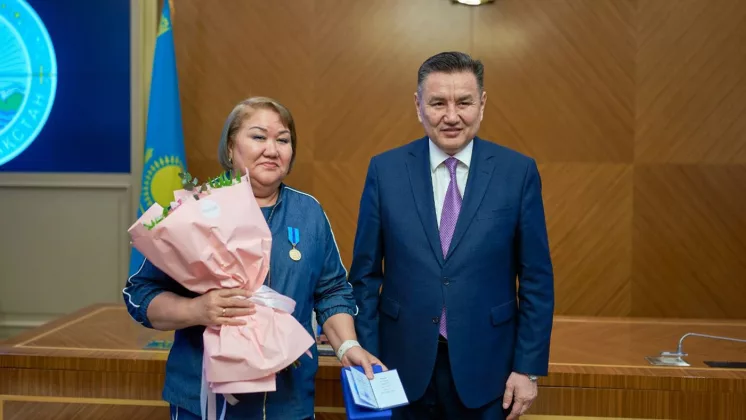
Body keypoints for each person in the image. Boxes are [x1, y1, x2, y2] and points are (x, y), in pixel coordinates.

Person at [124, 96, 383, 420]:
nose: (272, 150)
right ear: (231, 147)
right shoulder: (194, 212)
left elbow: (332, 291)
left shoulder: (309, 213)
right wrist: (196, 309)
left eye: (283, 140)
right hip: (206, 403)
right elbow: (139, 294)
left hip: (288, 403)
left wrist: (347, 346)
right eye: (259, 137)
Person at [349, 51, 555, 420]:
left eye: (464, 102)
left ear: (482, 104)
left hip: (489, 369)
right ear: (418, 105)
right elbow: (364, 276)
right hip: (398, 366)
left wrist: (527, 368)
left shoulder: (517, 172)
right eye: (438, 103)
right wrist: (368, 354)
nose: (451, 116)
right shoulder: (385, 170)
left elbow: (536, 279)